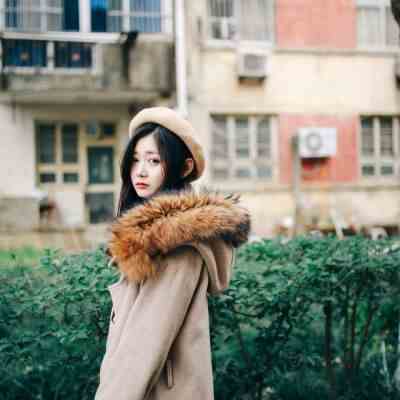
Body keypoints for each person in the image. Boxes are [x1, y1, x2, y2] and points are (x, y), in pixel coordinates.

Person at [95, 107, 251, 400]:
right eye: (135, 159)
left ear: (184, 167)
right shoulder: (151, 238)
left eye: (154, 160)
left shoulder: (178, 246)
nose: (140, 171)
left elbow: (144, 344)